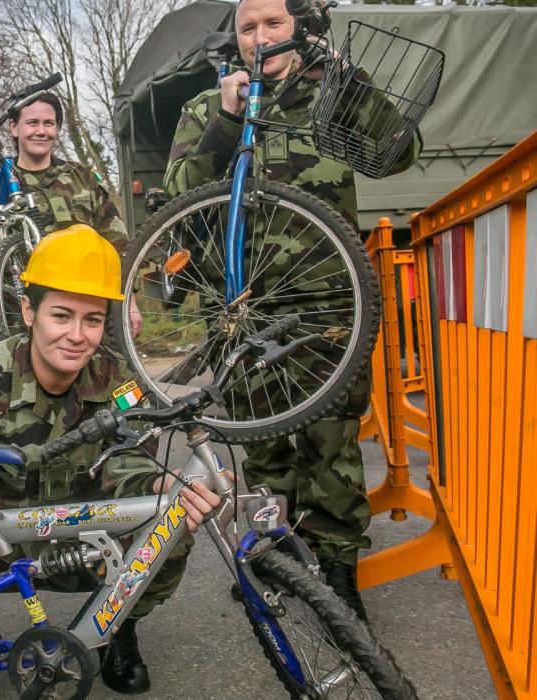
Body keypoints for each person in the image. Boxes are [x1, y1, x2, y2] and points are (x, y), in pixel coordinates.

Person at [163, 0, 420, 620]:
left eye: (272, 23)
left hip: (331, 300)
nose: (260, 38)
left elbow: (400, 150)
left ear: (298, 28)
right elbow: (177, 198)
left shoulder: (328, 92)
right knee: (266, 446)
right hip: (245, 311)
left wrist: (349, 77)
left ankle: (337, 573)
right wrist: (225, 120)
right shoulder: (207, 106)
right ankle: (276, 559)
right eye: (247, 28)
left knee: (330, 444)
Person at [0, 224, 221, 695]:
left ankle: (116, 627)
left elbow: (131, 463)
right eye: (62, 316)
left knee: (170, 533)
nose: (76, 335)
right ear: (29, 311)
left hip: (89, 539)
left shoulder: (120, 381)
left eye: (92, 320)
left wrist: (162, 490)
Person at [0, 93, 128, 252]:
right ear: (14, 128)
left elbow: (118, 244)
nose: (41, 131)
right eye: (32, 123)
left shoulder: (83, 177)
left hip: (85, 276)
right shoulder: (1, 185)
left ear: (57, 128)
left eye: (49, 123)